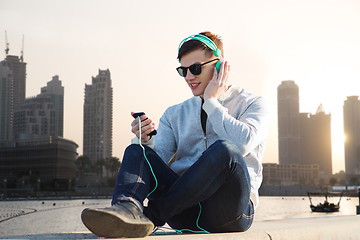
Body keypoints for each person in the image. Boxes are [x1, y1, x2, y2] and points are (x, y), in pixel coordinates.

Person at [81, 31, 269, 238]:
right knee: (137, 150)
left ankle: (150, 217)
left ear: (219, 66)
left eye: (195, 69)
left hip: (230, 213)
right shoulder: (174, 114)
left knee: (226, 150)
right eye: (183, 70)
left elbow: (243, 143)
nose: (189, 77)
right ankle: (126, 209)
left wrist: (212, 102)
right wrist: (146, 140)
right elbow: (157, 161)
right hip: (182, 212)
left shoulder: (252, 103)